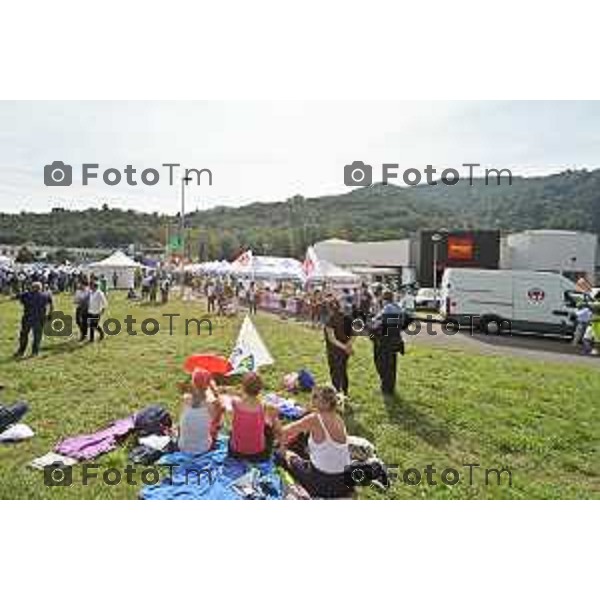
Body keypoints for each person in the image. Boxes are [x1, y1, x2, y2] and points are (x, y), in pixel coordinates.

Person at [280, 386, 352, 498]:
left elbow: (284, 431)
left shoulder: (315, 419)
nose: (311, 399)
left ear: (326, 403)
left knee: (282, 454)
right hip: (345, 483)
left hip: (323, 483)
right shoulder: (338, 417)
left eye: (315, 397)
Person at [226, 372, 281, 460]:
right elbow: (275, 413)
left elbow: (230, 398)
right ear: (260, 389)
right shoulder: (264, 406)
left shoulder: (235, 403)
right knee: (268, 427)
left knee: (234, 428)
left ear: (243, 387)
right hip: (258, 453)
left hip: (236, 451)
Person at [370, 290, 406, 397]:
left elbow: (377, 324)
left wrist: (371, 324)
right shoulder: (398, 308)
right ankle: (390, 388)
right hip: (395, 341)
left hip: (384, 341)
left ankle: (385, 388)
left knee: (382, 364)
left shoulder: (387, 309)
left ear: (384, 299)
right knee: (391, 365)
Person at [178, 368, 223, 453]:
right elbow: (218, 419)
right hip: (203, 448)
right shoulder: (210, 405)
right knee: (218, 424)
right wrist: (215, 391)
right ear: (208, 385)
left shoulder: (186, 398)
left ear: (192, 383)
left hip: (182, 446)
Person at [14, 281, 53, 358]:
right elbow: (51, 304)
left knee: (24, 335)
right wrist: (50, 314)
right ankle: (35, 352)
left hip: (28, 317)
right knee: (37, 336)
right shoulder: (45, 295)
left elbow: (18, 298)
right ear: (40, 288)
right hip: (40, 318)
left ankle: (21, 351)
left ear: (32, 288)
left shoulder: (26, 295)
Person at [324, 298, 353, 396]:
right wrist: (348, 346)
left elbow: (332, 339)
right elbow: (354, 334)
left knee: (335, 373)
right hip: (344, 352)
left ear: (329, 308)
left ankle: (336, 396)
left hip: (334, 351)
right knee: (343, 371)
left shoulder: (330, 319)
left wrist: (345, 347)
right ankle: (344, 393)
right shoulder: (347, 317)